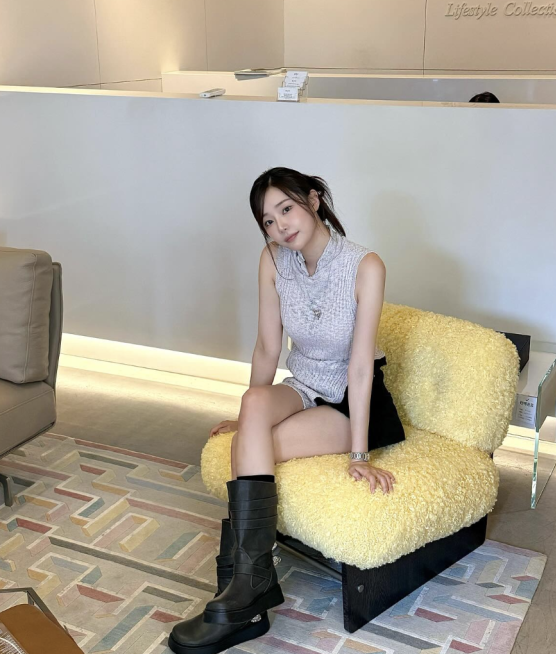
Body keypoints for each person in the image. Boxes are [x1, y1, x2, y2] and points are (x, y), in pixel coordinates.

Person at [169, 167, 406, 654]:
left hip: (348, 398)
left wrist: (359, 455)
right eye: (268, 220)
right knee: (253, 405)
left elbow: (361, 366)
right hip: (303, 383)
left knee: (251, 447)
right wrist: (249, 419)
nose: (280, 227)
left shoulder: (365, 265)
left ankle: (241, 591)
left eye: (287, 209)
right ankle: (247, 590)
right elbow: (267, 346)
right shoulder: (273, 260)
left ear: (314, 201)